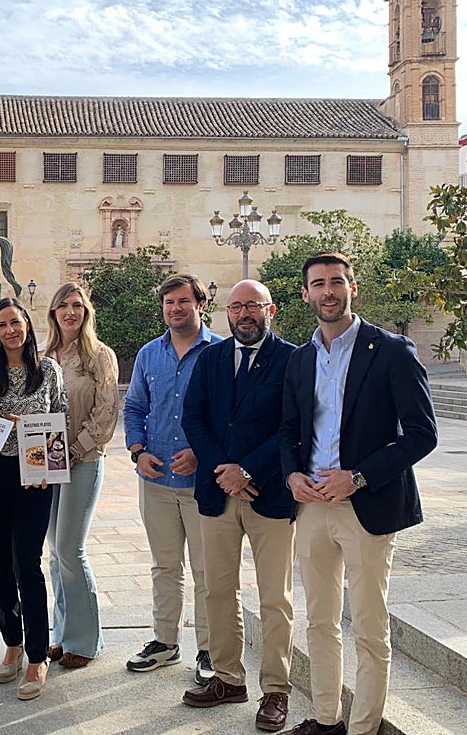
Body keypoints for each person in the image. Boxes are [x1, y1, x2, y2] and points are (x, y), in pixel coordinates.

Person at [279, 253, 437, 735]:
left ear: (353, 287)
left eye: (336, 282)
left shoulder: (390, 351)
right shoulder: (300, 358)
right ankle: (326, 719)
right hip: (310, 507)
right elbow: (288, 429)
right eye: (318, 284)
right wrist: (291, 476)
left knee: (369, 627)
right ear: (305, 293)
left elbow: (421, 433)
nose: (328, 291)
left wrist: (359, 476)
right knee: (319, 622)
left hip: (367, 505)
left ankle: (364, 727)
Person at [181, 280, 297, 732]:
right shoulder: (210, 357)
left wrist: (248, 471)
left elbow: (293, 424)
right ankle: (228, 678)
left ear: (270, 309)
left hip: (269, 494)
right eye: (236, 307)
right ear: (226, 312)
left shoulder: (291, 359)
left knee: (275, 598)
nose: (244, 314)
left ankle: (276, 690)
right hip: (216, 492)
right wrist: (223, 470)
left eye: (252, 306)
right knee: (217, 590)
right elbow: (194, 417)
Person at [123, 274, 222, 683]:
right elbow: (133, 409)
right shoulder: (149, 354)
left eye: (183, 301)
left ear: (200, 304)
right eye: (168, 302)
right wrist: (138, 451)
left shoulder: (220, 352)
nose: (175, 308)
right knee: (165, 567)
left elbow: (229, 417)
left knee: (207, 570)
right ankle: (164, 642)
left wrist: (203, 453)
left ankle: (209, 649)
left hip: (203, 484)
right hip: (156, 481)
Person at [0, 298, 67, 700]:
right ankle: (12, 643)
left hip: (36, 478)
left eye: (16, 322)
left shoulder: (48, 369)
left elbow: (61, 418)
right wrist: (4, 423)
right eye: (2, 325)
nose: (10, 330)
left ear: (28, 326)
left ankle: (37, 654)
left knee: (27, 564)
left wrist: (45, 463)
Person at [43, 282, 118, 669]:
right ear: (53, 313)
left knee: (71, 549)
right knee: (54, 554)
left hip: (83, 462)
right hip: (46, 467)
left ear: (86, 311)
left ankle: (85, 642)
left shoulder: (99, 356)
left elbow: (106, 413)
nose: (70, 312)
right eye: (63, 306)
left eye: (77, 305)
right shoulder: (43, 357)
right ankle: (62, 634)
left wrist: (72, 452)